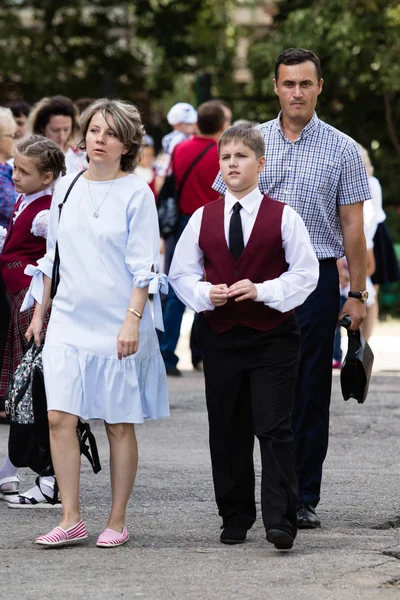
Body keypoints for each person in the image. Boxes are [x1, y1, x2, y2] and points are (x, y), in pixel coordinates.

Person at [213, 48, 371, 529]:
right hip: (251, 277)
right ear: (276, 86)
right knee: (243, 391)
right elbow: (222, 213)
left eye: (305, 83)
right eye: (288, 84)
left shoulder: (343, 148)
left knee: (306, 392)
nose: (297, 92)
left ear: (320, 86)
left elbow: (353, 227)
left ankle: (299, 495)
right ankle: (242, 500)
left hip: (317, 280)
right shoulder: (250, 141)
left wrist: (357, 295)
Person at [23, 98, 169, 548]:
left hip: (117, 321)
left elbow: (145, 266)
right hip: (68, 316)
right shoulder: (65, 186)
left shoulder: (137, 193)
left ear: (126, 143)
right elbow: (54, 256)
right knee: (57, 417)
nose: (98, 139)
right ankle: (71, 517)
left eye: (109, 133)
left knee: (117, 422)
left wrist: (131, 321)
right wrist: (41, 310)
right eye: (93, 131)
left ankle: (117, 520)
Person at [169, 124, 319, 549]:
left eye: (241, 156)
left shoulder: (284, 215)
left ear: (260, 163)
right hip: (219, 335)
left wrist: (264, 290)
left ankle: (281, 520)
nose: (232, 163)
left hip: (273, 336)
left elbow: (306, 274)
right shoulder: (202, 217)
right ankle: (234, 514)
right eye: (226, 157)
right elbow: (180, 274)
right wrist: (204, 294)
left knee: (274, 426)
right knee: (227, 426)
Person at [0, 135, 66, 506]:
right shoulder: (27, 201)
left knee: (36, 391)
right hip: (18, 303)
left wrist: (25, 271)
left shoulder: (47, 211)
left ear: (47, 177)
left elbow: (54, 258)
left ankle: (50, 476)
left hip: (33, 307)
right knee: (21, 391)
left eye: (23, 171)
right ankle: (13, 467)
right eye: (13, 167)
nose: (14, 175)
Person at [160, 101, 227, 376]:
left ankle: (166, 353)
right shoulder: (222, 153)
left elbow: (172, 182)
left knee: (178, 287)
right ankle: (202, 352)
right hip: (214, 221)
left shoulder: (180, 149)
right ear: (222, 126)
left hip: (183, 222)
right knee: (212, 285)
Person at [360, 145, 400, 336]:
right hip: (355, 236)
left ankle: (364, 343)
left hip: (373, 237)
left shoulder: (372, 182)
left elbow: (371, 217)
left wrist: (367, 245)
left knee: (370, 293)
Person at [28, 95, 87, 174]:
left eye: (66, 129)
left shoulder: (81, 156)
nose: (61, 136)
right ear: (42, 127)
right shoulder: (30, 157)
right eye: (55, 130)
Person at [154, 102, 197, 193]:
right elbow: (166, 164)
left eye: (194, 122)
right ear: (176, 125)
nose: (193, 126)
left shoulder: (169, 138)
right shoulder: (178, 139)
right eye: (189, 123)